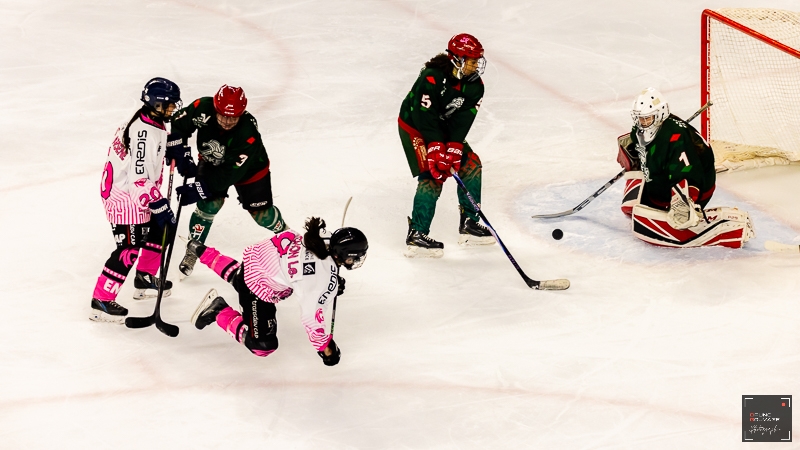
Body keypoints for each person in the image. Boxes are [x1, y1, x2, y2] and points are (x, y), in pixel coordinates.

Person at [188, 217, 368, 366]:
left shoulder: (321, 237)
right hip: (257, 286)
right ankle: (219, 310)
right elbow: (310, 318)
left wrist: (333, 281)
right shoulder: (320, 280)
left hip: (256, 260)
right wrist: (325, 347)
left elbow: (319, 266)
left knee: (241, 276)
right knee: (263, 346)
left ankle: (203, 252)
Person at [167, 85, 288, 279]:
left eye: (233, 117)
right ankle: (193, 250)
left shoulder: (247, 133)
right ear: (215, 107)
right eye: (222, 115)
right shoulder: (202, 107)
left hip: (250, 170)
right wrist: (180, 152)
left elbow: (228, 175)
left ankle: (287, 236)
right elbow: (179, 123)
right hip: (212, 162)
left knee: (262, 216)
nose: (226, 121)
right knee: (208, 205)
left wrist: (199, 189)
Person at [90, 78, 181, 323]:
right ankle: (101, 300)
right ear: (157, 104)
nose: (173, 108)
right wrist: (158, 204)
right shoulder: (142, 131)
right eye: (169, 104)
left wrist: (173, 148)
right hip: (125, 196)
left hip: (136, 190)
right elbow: (138, 177)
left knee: (160, 229)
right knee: (129, 249)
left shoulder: (152, 120)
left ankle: (144, 278)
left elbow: (155, 145)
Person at [616, 87, 754, 248]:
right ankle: (660, 197)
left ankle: (694, 211)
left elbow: (689, 173)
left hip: (696, 186)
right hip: (663, 178)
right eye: (640, 118)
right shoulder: (642, 131)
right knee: (634, 208)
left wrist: (685, 203)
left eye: (647, 118)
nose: (643, 123)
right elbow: (643, 147)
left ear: (660, 114)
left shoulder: (677, 138)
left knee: (661, 216)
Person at [397, 33, 495, 258]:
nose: (476, 65)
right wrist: (435, 149)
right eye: (471, 60)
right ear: (457, 59)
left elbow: (462, 122)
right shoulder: (432, 77)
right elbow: (425, 116)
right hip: (415, 126)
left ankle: (470, 222)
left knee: (471, 164)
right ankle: (417, 234)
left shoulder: (475, 87)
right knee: (433, 175)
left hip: (442, 127)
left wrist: (452, 147)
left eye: (477, 60)